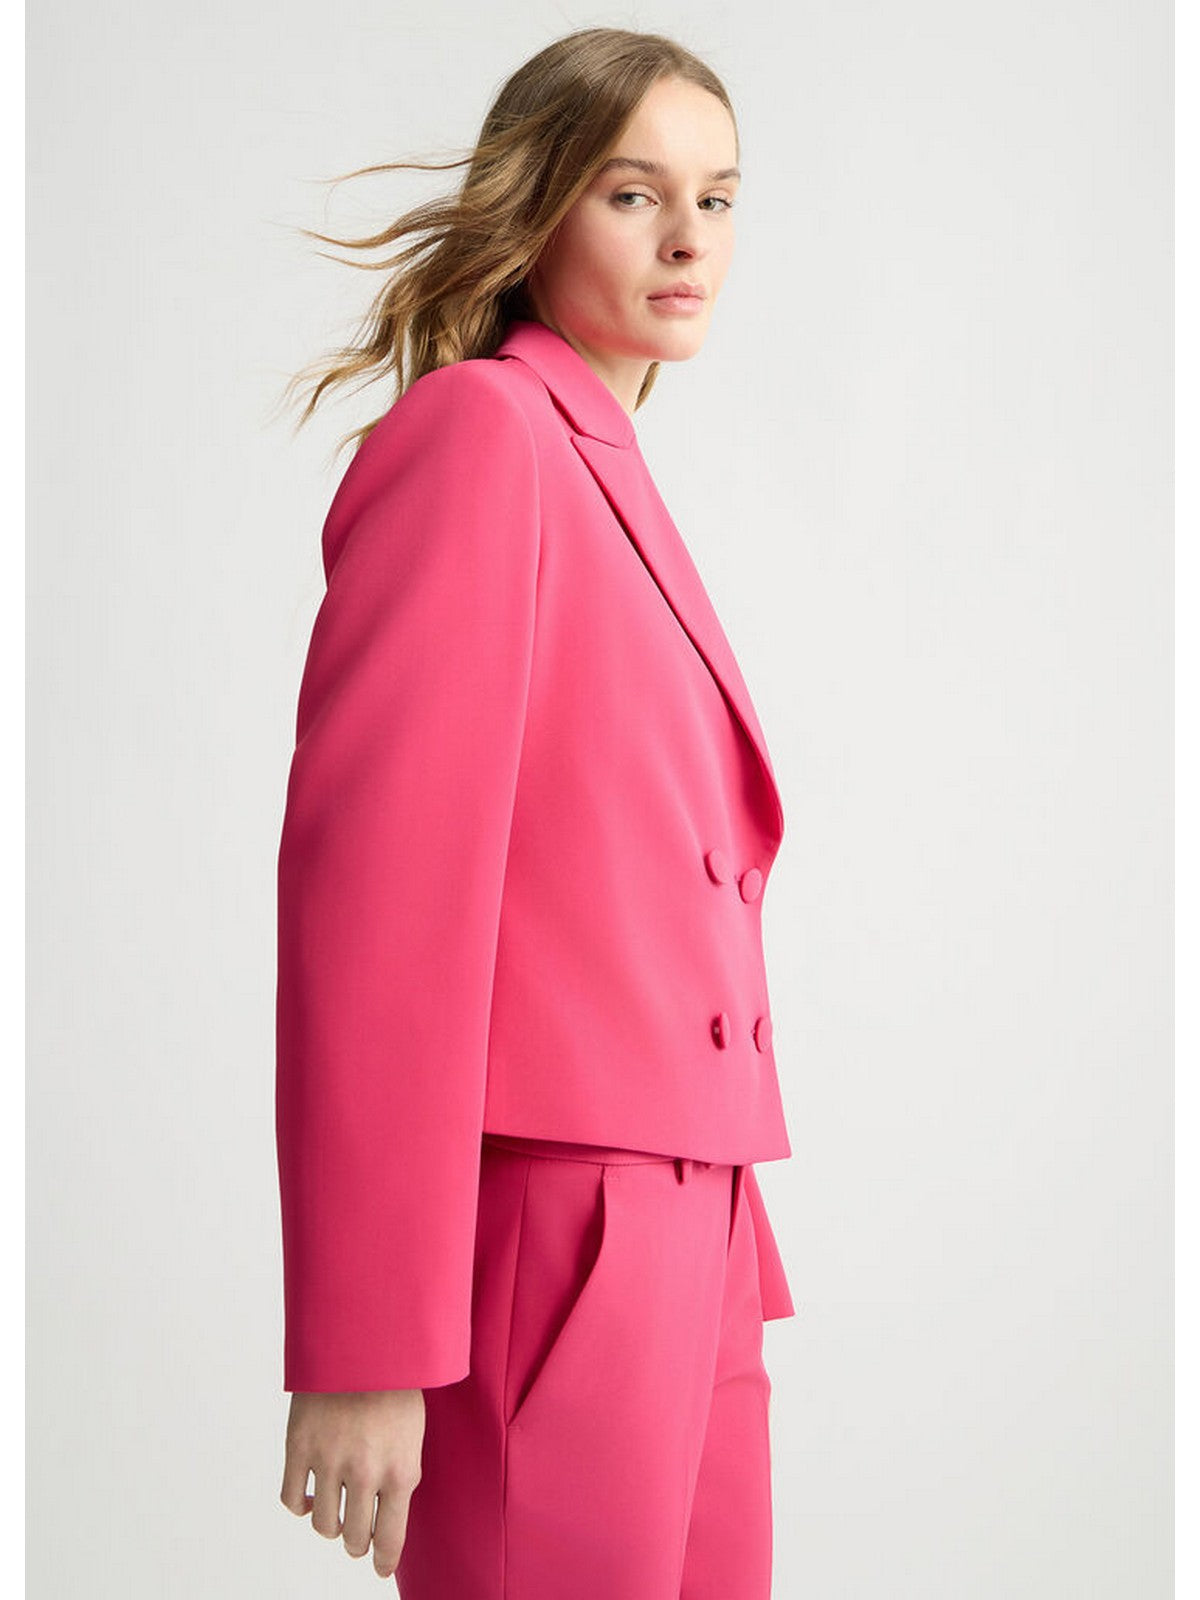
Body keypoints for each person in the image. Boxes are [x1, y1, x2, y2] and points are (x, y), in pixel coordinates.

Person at [274, 25, 797, 1598]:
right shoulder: (484, 433)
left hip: (697, 1222)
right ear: (541, 206)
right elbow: (376, 901)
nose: (690, 237)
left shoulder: (601, 465)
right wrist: (368, 1338)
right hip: (562, 1231)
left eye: (717, 196)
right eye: (636, 195)